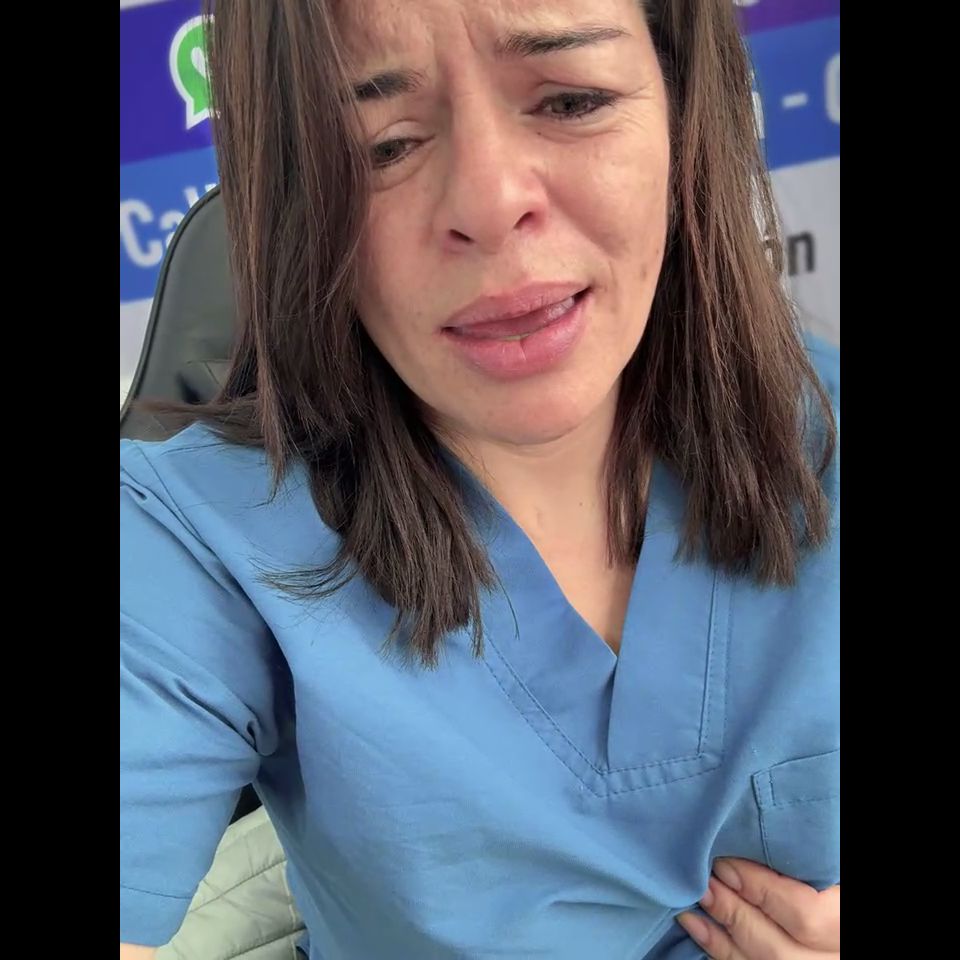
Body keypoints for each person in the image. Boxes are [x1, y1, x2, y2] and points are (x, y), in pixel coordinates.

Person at [120, 1, 840, 957]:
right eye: (381, 147)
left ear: (684, 105)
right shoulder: (194, 540)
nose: (491, 204)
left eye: (572, 101)